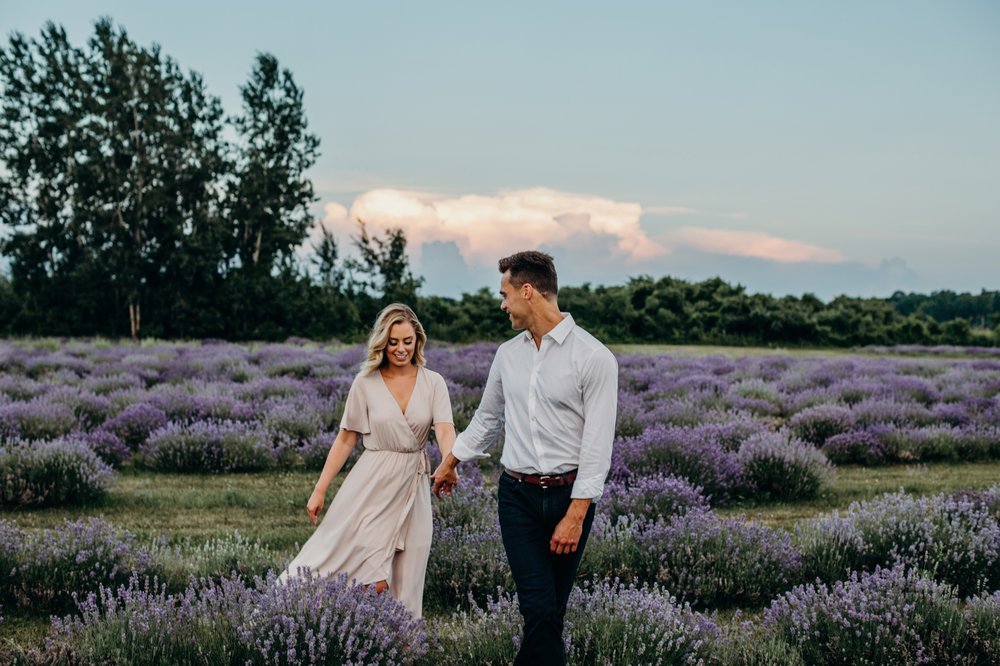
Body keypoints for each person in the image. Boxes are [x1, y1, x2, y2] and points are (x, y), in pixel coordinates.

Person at [431, 250, 618, 665]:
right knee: (538, 609)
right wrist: (452, 460)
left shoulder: (594, 358)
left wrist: (576, 514)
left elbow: (597, 444)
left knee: (550, 613)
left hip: (570, 498)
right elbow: (487, 419)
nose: (502, 304)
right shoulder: (507, 355)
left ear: (527, 291)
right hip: (517, 496)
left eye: (505, 293)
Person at [279, 303, 455, 618]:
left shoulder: (433, 382)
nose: (401, 349)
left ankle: (404, 646)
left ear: (418, 341)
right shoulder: (366, 382)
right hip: (372, 482)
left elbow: (445, 428)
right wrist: (320, 488)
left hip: (413, 485)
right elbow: (347, 437)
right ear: (382, 343)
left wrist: (449, 462)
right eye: (393, 342)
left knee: (411, 567)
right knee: (366, 573)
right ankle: (307, 618)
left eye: (407, 341)